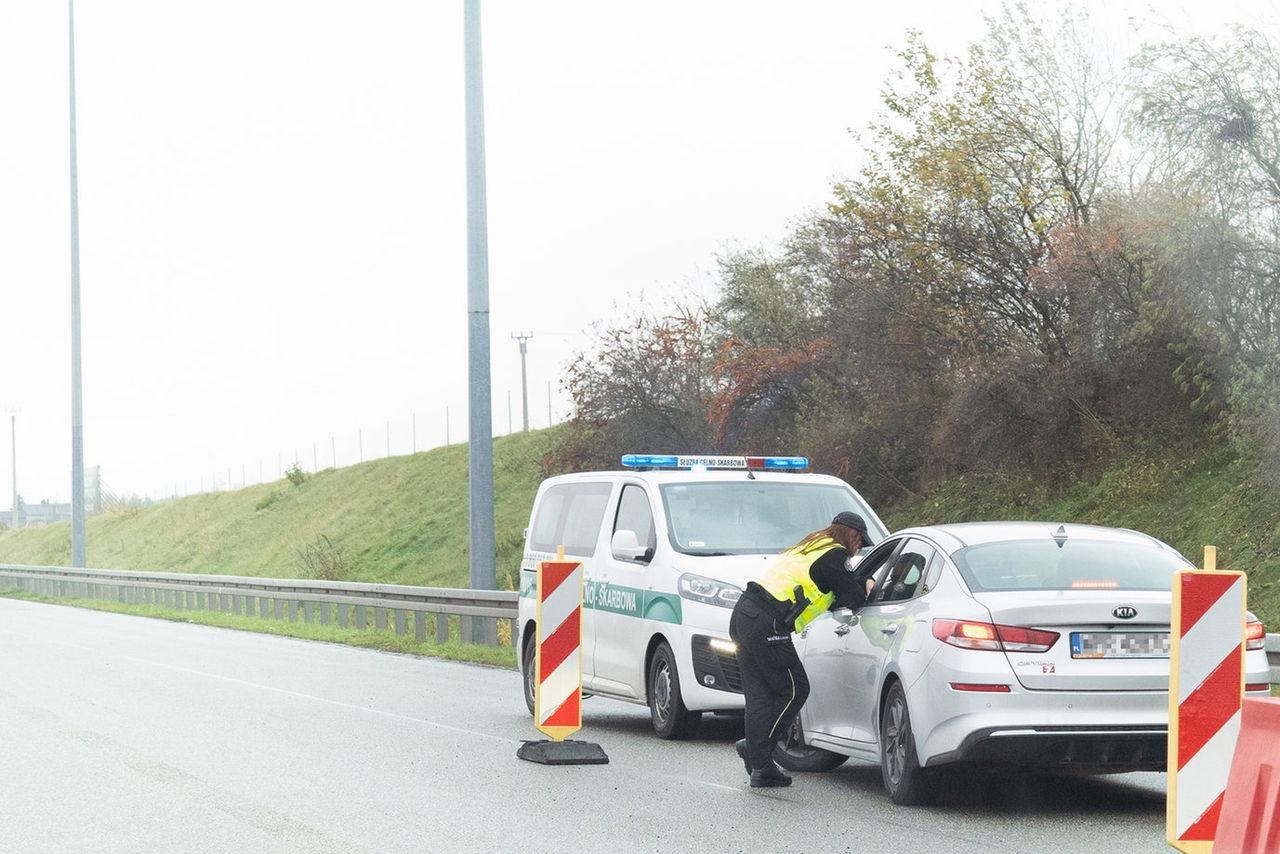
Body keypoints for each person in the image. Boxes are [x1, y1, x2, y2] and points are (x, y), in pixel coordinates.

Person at [729, 511, 876, 787]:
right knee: (794, 689)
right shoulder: (835, 556)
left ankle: (761, 768)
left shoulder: (809, 547)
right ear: (852, 535)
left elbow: (827, 593)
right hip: (767, 624)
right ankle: (756, 750)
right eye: (860, 542)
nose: (858, 548)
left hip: (744, 615)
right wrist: (867, 580)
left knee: (761, 696)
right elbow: (852, 598)